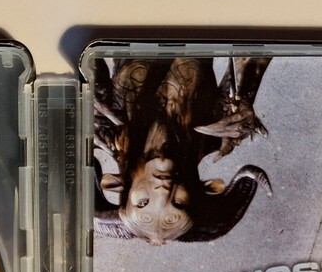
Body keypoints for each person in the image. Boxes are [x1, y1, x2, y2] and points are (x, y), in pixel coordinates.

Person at [92, 57, 271, 244]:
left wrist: (84, 87)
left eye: (143, 202)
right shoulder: (219, 132)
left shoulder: (106, 126)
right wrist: (245, 91)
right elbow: (254, 52)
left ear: (115, 184)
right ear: (204, 190)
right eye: (178, 203)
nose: (163, 191)